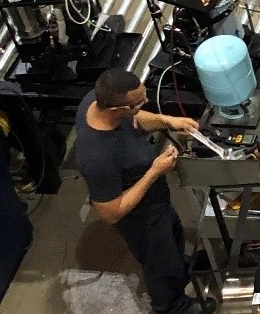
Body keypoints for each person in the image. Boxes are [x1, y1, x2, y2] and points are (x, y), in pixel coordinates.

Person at [76, 68, 203, 314]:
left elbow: (136, 117)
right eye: (138, 103)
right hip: (141, 219)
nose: (142, 105)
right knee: (159, 263)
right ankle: (172, 307)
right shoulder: (97, 157)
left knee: (173, 239)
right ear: (116, 110)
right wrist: (155, 171)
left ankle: (181, 268)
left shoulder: (97, 99)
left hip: (158, 202)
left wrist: (167, 120)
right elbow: (112, 212)